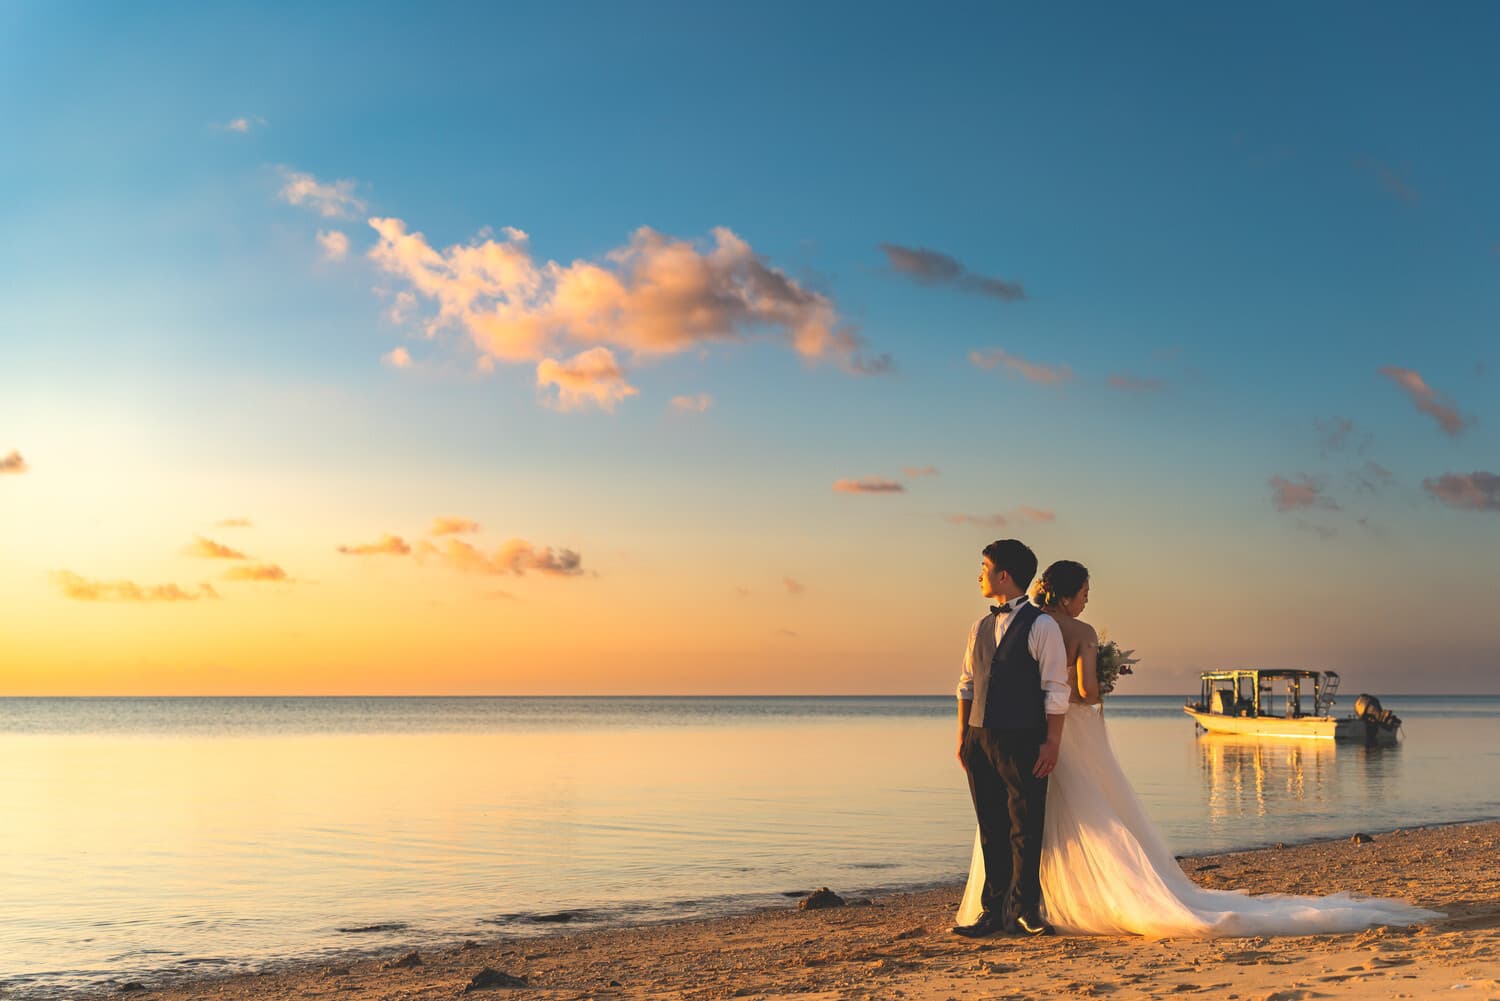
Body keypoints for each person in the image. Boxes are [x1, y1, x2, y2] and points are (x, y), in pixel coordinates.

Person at [955, 560, 1443, 936]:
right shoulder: (1076, 631)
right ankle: (1048, 902)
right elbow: (1081, 693)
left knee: (1030, 817)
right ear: (1069, 593)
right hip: (1070, 731)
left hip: (1017, 730)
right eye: (1085, 593)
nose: (1086, 601)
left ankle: (1019, 901)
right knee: (1092, 813)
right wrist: (1103, 678)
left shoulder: (1027, 626)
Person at [952, 539, 1070, 938]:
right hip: (979, 738)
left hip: (1023, 738)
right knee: (991, 825)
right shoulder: (978, 627)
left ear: (1003, 575)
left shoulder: (1042, 626)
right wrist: (963, 738)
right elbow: (966, 685)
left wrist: (1052, 743)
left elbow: (1056, 690)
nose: (978, 574)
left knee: (1025, 825)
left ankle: (1024, 911)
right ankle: (993, 910)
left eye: (983, 566)